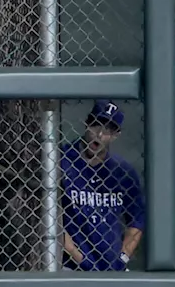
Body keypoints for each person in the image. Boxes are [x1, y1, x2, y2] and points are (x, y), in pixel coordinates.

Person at [59, 100, 145, 271]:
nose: (99, 134)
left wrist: (122, 259)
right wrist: (77, 255)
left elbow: (138, 219)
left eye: (108, 130)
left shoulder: (123, 172)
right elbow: (47, 214)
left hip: (112, 267)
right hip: (70, 266)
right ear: (86, 124)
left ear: (115, 135)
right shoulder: (62, 160)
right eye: (96, 125)